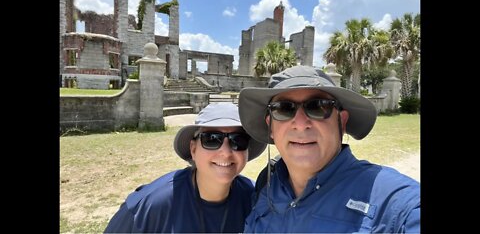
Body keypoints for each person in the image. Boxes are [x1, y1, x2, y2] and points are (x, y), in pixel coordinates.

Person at [238, 65, 420, 233]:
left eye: (318, 106)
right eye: (284, 109)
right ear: (271, 127)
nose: (300, 125)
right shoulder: (267, 184)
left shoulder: (396, 202)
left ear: (341, 121)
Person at [104, 103, 267, 233]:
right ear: (193, 149)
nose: (225, 152)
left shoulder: (256, 199)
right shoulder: (150, 206)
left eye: (238, 140)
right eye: (211, 139)